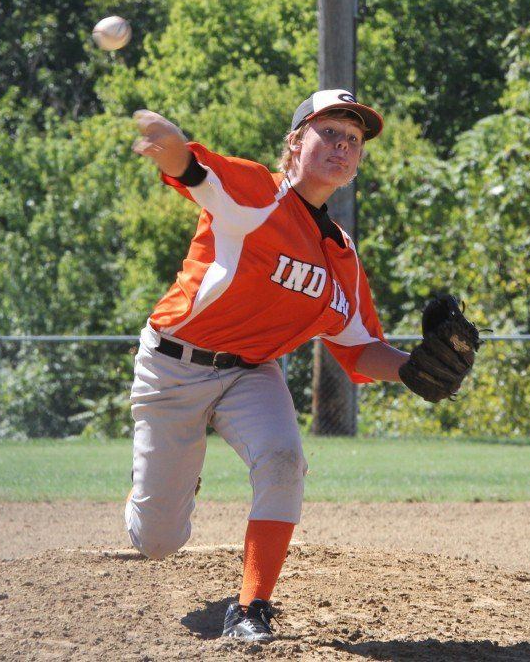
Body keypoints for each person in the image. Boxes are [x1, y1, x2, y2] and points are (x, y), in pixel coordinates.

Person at [125, 90, 412, 642]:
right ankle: (162, 481)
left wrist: (416, 368)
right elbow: (196, 171)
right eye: (327, 131)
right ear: (295, 143)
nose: (342, 146)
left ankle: (251, 608)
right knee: (157, 541)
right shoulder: (257, 195)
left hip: (250, 373)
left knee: (284, 460)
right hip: (174, 369)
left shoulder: (341, 257)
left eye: (353, 140)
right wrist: (172, 149)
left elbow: (357, 349)